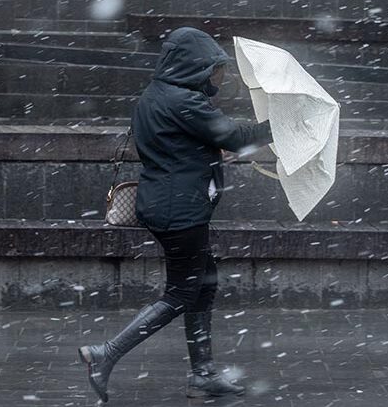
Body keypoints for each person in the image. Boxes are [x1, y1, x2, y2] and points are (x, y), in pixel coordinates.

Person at [78, 27, 273, 403]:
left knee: (204, 283)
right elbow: (234, 136)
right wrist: (283, 125)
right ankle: (106, 354)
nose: (218, 77)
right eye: (214, 69)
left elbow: (182, 145)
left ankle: (202, 376)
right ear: (194, 66)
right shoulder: (184, 101)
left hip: (168, 203)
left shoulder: (157, 95)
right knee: (183, 291)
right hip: (179, 210)